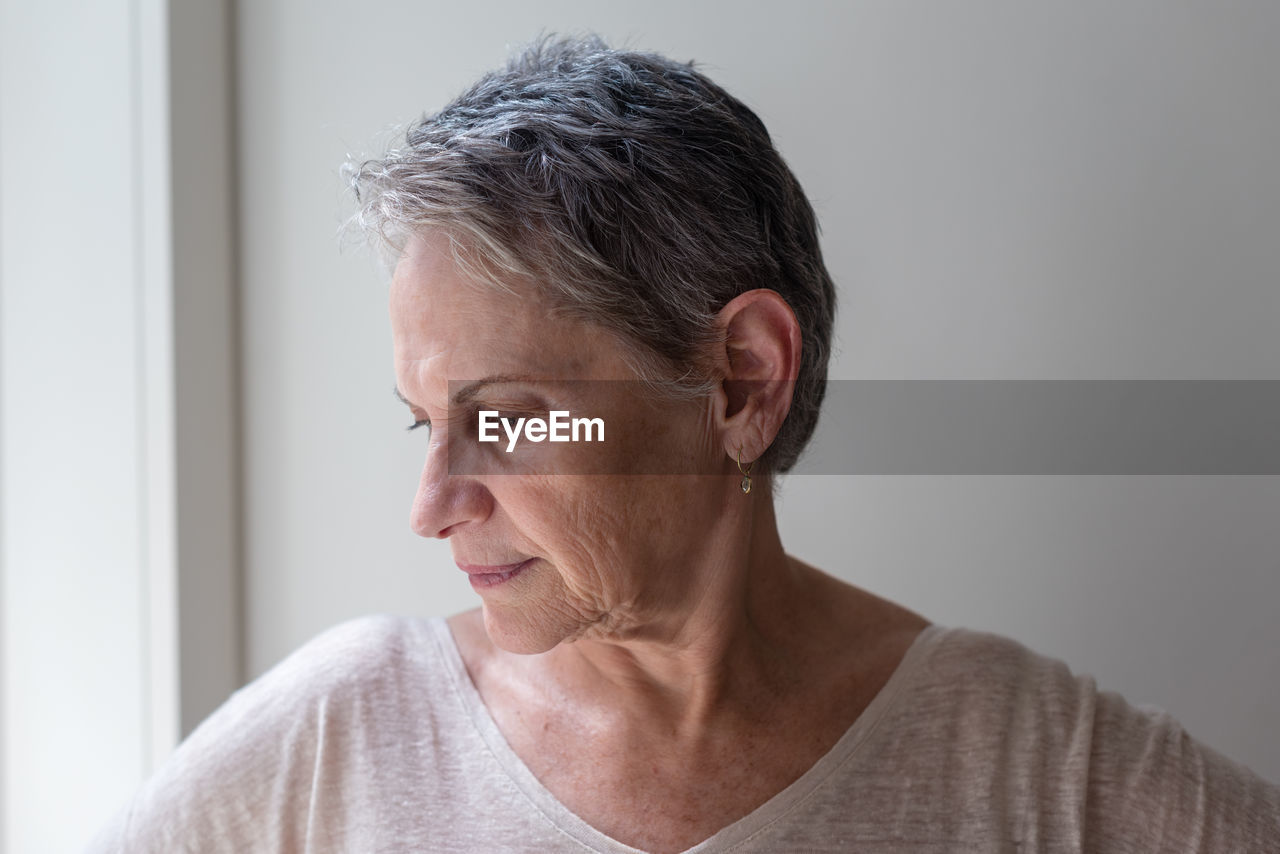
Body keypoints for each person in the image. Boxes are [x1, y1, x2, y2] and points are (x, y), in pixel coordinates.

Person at [90, 35, 1278, 853]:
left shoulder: (1030, 766)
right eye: (424, 419)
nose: (432, 501)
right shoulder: (338, 737)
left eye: (499, 415)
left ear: (738, 380)